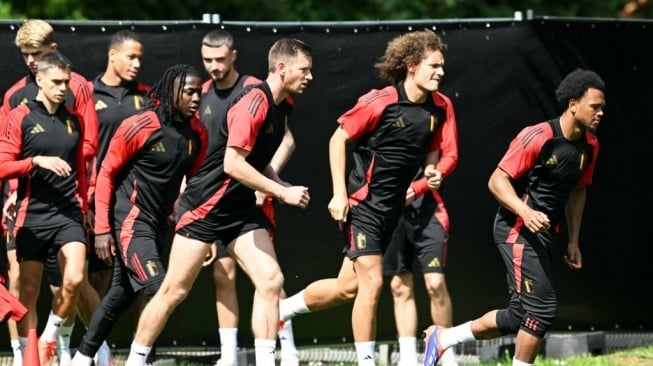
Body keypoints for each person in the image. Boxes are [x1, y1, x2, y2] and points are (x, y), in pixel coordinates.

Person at [123, 38, 313, 366]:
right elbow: (233, 164)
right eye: (305, 69)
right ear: (282, 69)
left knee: (271, 281)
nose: (310, 76)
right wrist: (281, 192)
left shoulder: (283, 106)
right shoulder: (254, 103)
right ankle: (135, 360)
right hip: (205, 208)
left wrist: (278, 182)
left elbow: (257, 157)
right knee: (174, 292)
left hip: (239, 211)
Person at [280, 29, 455, 366]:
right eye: (433, 66)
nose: (441, 72)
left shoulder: (439, 107)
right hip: (363, 206)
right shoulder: (381, 100)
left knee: (348, 288)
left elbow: (433, 151)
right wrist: (339, 194)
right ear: (411, 65)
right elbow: (337, 139)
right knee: (372, 283)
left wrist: (433, 172)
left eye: (442, 66)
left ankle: (282, 311)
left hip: (392, 211)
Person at [422, 69, 606, 366]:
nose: (600, 113)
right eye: (594, 107)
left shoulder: (591, 146)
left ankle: (443, 339)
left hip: (544, 235)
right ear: (573, 104)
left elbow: (578, 191)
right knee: (541, 310)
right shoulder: (538, 135)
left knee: (518, 316)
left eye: (602, 109)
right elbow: (497, 181)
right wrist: (525, 211)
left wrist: (573, 240)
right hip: (516, 230)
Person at [70, 63, 208, 366]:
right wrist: (104, 229)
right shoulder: (140, 125)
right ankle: (138, 360)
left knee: (120, 295)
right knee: (160, 288)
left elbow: (195, 190)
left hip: (160, 226)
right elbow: (105, 173)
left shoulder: (198, 132)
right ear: (171, 92)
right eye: (189, 92)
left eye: (199, 91)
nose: (196, 98)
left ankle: (80, 359)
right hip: (129, 222)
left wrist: (200, 234)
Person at [0, 19, 102, 366]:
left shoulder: (78, 90)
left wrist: (78, 189)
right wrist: (15, 189)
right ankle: (24, 357)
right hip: (26, 202)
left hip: (68, 199)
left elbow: (87, 146)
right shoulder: (15, 100)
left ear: (53, 51)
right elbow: (8, 156)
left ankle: (82, 350)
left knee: (73, 282)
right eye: (26, 55)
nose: (31, 61)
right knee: (21, 285)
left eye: (38, 54)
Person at [198, 29, 299, 366]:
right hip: (213, 201)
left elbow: (285, 141)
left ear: (234, 57)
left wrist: (265, 181)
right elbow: (210, 154)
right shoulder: (201, 95)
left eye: (219, 59)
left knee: (269, 278)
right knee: (221, 275)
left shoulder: (259, 90)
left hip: (255, 198)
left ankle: (287, 351)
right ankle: (229, 357)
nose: (213, 66)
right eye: (207, 60)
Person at [383, 174, 458, 366]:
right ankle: (408, 359)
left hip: (429, 210)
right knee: (399, 286)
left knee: (435, 284)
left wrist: (418, 187)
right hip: (392, 211)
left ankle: (446, 352)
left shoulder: (428, 145)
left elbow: (450, 157)